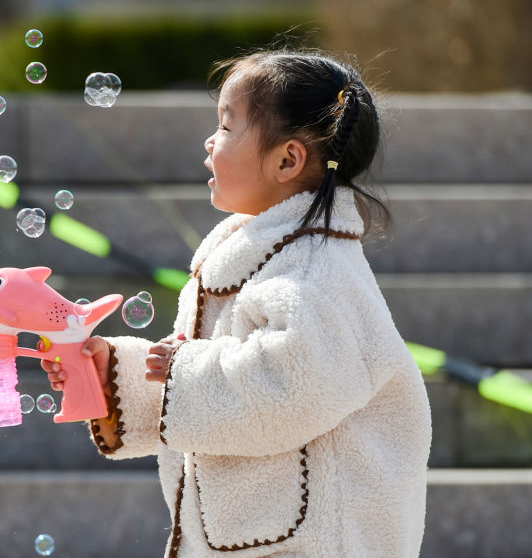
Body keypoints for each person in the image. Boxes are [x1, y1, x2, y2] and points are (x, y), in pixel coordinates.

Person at [42, 50, 432, 556]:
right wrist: (118, 375)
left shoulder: (316, 273)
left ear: (287, 160)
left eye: (226, 126)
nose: (209, 141)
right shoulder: (262, 256)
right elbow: (214, 370)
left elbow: (293, 386)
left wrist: (181, 369)